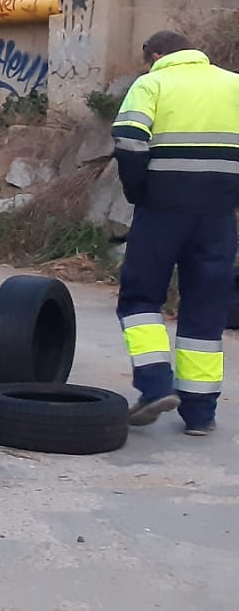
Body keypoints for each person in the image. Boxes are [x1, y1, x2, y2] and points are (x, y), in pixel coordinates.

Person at [111, 31, 239, 435]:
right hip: (218, 215)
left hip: (162, 210)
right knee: (206, 304)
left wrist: (139, 192)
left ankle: (155, 387)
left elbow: (129, 141)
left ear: (155, 55)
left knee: (141, 297)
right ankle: (200, 414)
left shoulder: (152, 84)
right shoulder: (233, 84)